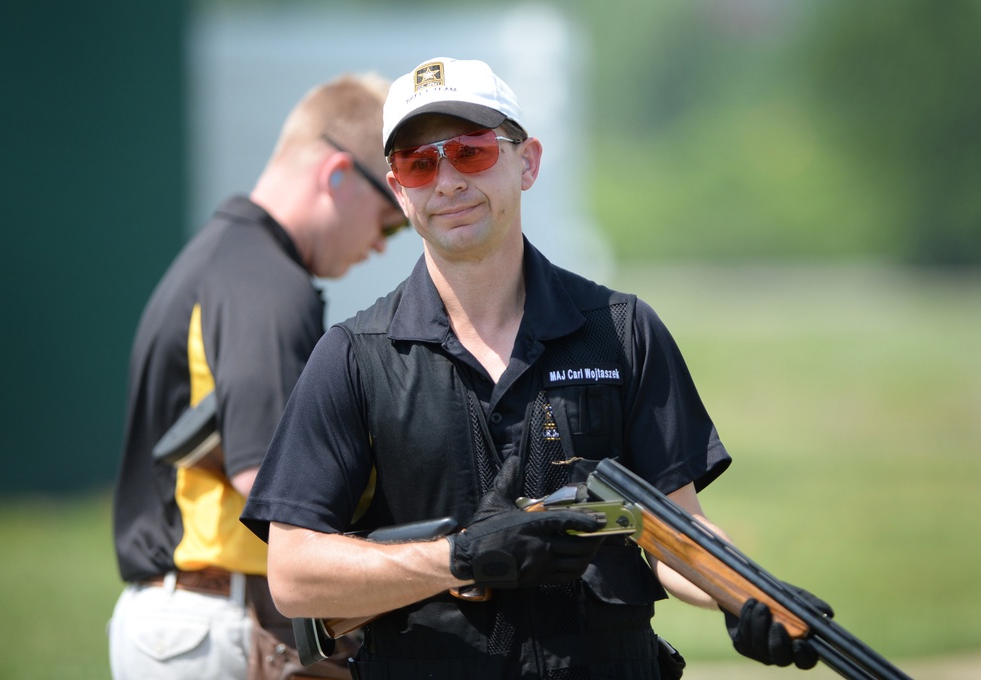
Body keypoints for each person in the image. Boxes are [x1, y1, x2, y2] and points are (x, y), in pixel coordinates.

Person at [241, 57, 832, 679]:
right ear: (397, 188)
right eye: (419, 163)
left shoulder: (622, 331)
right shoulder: (352, 355)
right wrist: (462, 558)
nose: (446, 182)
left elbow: (674, 531)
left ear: (527, 162)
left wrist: (749, 595)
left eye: (470, 152)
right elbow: (294, 575)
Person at [109, 72, 408, 680]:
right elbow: (267, 479)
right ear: (337, 175)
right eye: (388, 216)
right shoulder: (269, 283)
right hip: (225, 619)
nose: (383, 243)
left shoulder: (223, 256)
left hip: (185, 617)